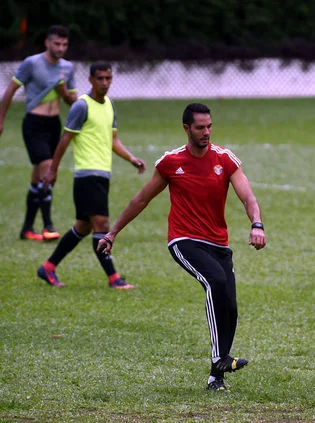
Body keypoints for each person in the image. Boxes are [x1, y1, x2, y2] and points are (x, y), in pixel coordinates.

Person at [96, 103, 267, 391]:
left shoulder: (225, 159)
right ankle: (220, 357)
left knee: (231, 307)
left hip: (219, 244)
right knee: (215, 280)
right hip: (184, 240)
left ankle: (216, 378)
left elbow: (247, 196)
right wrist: (112, 233)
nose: (206, 132)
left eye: (209, 126)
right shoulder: (170, 162)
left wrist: (257, 224)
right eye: (200, 127)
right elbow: (141, 200)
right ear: (187, 128)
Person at [36, 61, 147, 289]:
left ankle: (47, 267)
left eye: (108, 78)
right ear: (90, 80)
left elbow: (113, 140)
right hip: (87, 175)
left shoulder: (109, 105)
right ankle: (114, 278)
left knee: (83, 227)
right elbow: (65, 138)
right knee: (102, 225)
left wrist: (131, 158)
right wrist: (53, 169)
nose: (105, 83)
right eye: (100, 79)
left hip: (102, 175)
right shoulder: (81, 106)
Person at [0, 25, 78, 241]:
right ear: (47, 42)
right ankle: (47, 226)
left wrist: (65, 94)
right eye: (57, 44)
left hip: (54, 124)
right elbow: (10, 90)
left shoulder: (68, 68)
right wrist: (1, 119)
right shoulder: (32, 63)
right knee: (47, 171)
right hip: (34, 124)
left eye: (64, 44)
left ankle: (26, 229)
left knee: (38, 179)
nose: (61, 48)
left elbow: (73, 100)